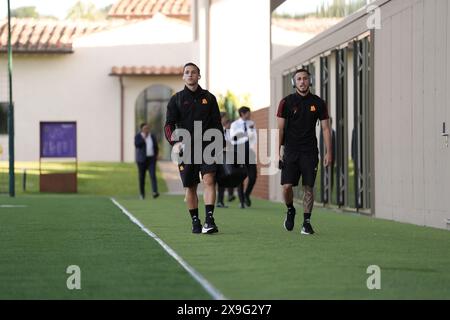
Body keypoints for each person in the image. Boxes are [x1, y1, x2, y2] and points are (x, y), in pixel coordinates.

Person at [164, 62, 223, 234]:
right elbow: (169, 125)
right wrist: (174, 143)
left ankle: (209, 219)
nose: (190, 75)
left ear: (199, 76)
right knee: (190, 186)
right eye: (187, 72)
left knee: (209, 180)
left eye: (193, 72)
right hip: (186, 148)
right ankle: (195, 220)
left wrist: (219, 144)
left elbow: (217, 123)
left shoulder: (209, 98)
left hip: (207, 146)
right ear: (183, 76)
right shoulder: (176, 99)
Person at [277, 68, 332, 235]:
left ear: (310, 81)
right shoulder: (286, 102)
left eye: (305, 79)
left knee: (308, 187)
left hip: (309, 151)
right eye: (299, 79)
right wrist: (277, 151)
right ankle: (290, 209)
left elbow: (325, 129)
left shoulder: (319, 103)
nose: (302, 81)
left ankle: (306, 222)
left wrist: (329, 152)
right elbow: (279, 129)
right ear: (295, 82)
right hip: (290, 151)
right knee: (287, 187)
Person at [230, 106, 257, 209]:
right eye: (248, 113)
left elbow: (254, 137)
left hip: (250, 152)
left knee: (253, 176)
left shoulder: (251, 124)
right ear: (242, 113)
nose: (250, 115)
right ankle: (241, 201)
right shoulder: (235, 124)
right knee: (240, 176)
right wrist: (246, 135)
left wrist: (248, 135)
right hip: (238, 151)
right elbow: (234, 138)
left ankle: (246, 194)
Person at [135, 123, 159, 199]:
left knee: (153, 176)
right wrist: (144, 138)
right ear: (141, 129)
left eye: (148, 128)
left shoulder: (152, 136)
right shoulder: (138, 136)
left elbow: (156, 147)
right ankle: (142, 194)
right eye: (145, 128)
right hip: (141, 160)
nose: (147, 130)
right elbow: (137, 145)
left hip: (151, 159)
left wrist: (156, 155)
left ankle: (155, 192)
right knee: (142, 177)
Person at [217, 117, 235, 208]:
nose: (230, 126)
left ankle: (222, 200)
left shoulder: (228, 132)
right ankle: (220, 201)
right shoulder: (219, 131)